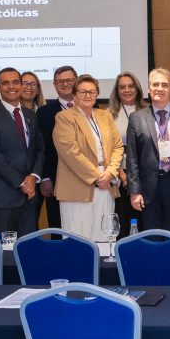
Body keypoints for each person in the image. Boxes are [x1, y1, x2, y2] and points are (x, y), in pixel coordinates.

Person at [53, 75, 124, 249]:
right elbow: (70, 152)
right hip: (78, 189)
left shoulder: (105, 116)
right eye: (83, 91)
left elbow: (117, 146)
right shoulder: (64, 117)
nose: (87, 95)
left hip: (106, 186)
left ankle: (102, 276)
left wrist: (110, 173)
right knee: (78, 242)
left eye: (92, 92)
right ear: (74, 95)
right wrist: (97, 176)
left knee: (105, 239)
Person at [0, 67, 44, 236]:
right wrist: (23, 184)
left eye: (15, 82)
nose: (11, 86)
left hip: (29, 198)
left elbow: (39, 149)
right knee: (4, 252)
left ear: (21, 85)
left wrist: (33, 177)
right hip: (3, 197)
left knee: (27, 249)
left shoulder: (31, 115)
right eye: (5, 83)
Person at [126, 68, 170, 231]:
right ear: (148, 88)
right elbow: (132, 158)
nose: (159, 88)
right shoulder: (137, 118)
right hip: (148, 187)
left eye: (164, 85)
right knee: (152, 235)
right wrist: (134, 191)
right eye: (155, 84)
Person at [36, 65, 78, 228]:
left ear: (76, 81)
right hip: (56, 178)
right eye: (61, 81)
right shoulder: (44, 112)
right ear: (54, 85)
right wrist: (45, 177)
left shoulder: (91, 107)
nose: (65, 84)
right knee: (58, 225)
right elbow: (42, 147)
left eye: (69, 80)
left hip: (87, 178)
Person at [108, 71, 148, 237]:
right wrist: (122, 174)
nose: (127, 90)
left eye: (130, 86)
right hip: (119, 176)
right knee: (124, 222)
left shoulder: (148, 111)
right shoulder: (109, 114)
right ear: (117, 91)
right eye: (122, 87)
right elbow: (107, 149)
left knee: (144, 221)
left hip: (143, 175)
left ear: (137, 88)